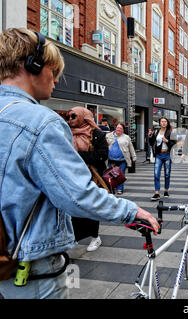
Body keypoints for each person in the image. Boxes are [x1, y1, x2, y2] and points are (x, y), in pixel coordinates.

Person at [0, 28, 160, 299]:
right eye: (54, 70)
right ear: (33, 65)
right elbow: (76, 195)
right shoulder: (42, 122)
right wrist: (131, 211)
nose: (57, 80)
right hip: (29, 269)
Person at [67, 106, 108, 252]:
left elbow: (102, 156)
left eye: (73, 116)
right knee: (72, 207)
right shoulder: (66, 133)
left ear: (84, 117)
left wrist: (79, 155)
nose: (70, 120)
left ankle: (95, 237)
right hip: (71, 176)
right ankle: (74, 236)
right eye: (69, 117)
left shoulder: (96, 134)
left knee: (90, 207)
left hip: (92, 177)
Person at [149, 117, 176, 201]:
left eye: (165, 121)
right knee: (156, 173)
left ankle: (166, 191)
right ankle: (157, 193)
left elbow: (175, 144)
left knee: (167, 174)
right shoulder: (156, 132)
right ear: (160, 123)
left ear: (167, 123)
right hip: (159, 155)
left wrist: (167, 141)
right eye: (162, 121)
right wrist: (150, 137)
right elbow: (152, 143)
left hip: (167, 155)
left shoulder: (170, 132)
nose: (164, 123)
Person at [105, 123, 136, 195]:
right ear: (115, 128)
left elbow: (131, 148)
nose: (118, 129)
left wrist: (134, 157)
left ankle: (120, 189)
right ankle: (111, 188)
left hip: (122, 160)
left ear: (123, 130)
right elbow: (104, 145)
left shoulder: (126, 137)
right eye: (117, 128)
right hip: (111, 159)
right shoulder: (108, 136)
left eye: (120, 128)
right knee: (110, 175)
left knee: (120, 175)